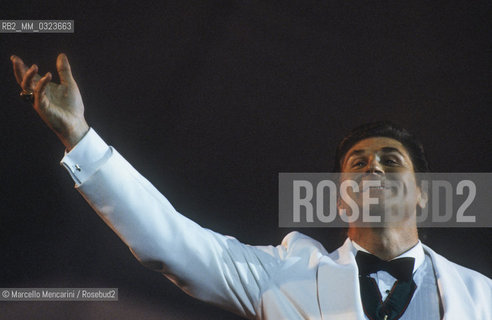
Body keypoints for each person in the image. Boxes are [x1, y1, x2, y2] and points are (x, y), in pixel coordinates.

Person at [11, 54, 492, 320]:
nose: (375, 170)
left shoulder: (482, 297)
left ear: (423, 192)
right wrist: (79, 137)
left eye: (391, 161)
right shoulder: (283, 275)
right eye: (358, 163)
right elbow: (171, 242)